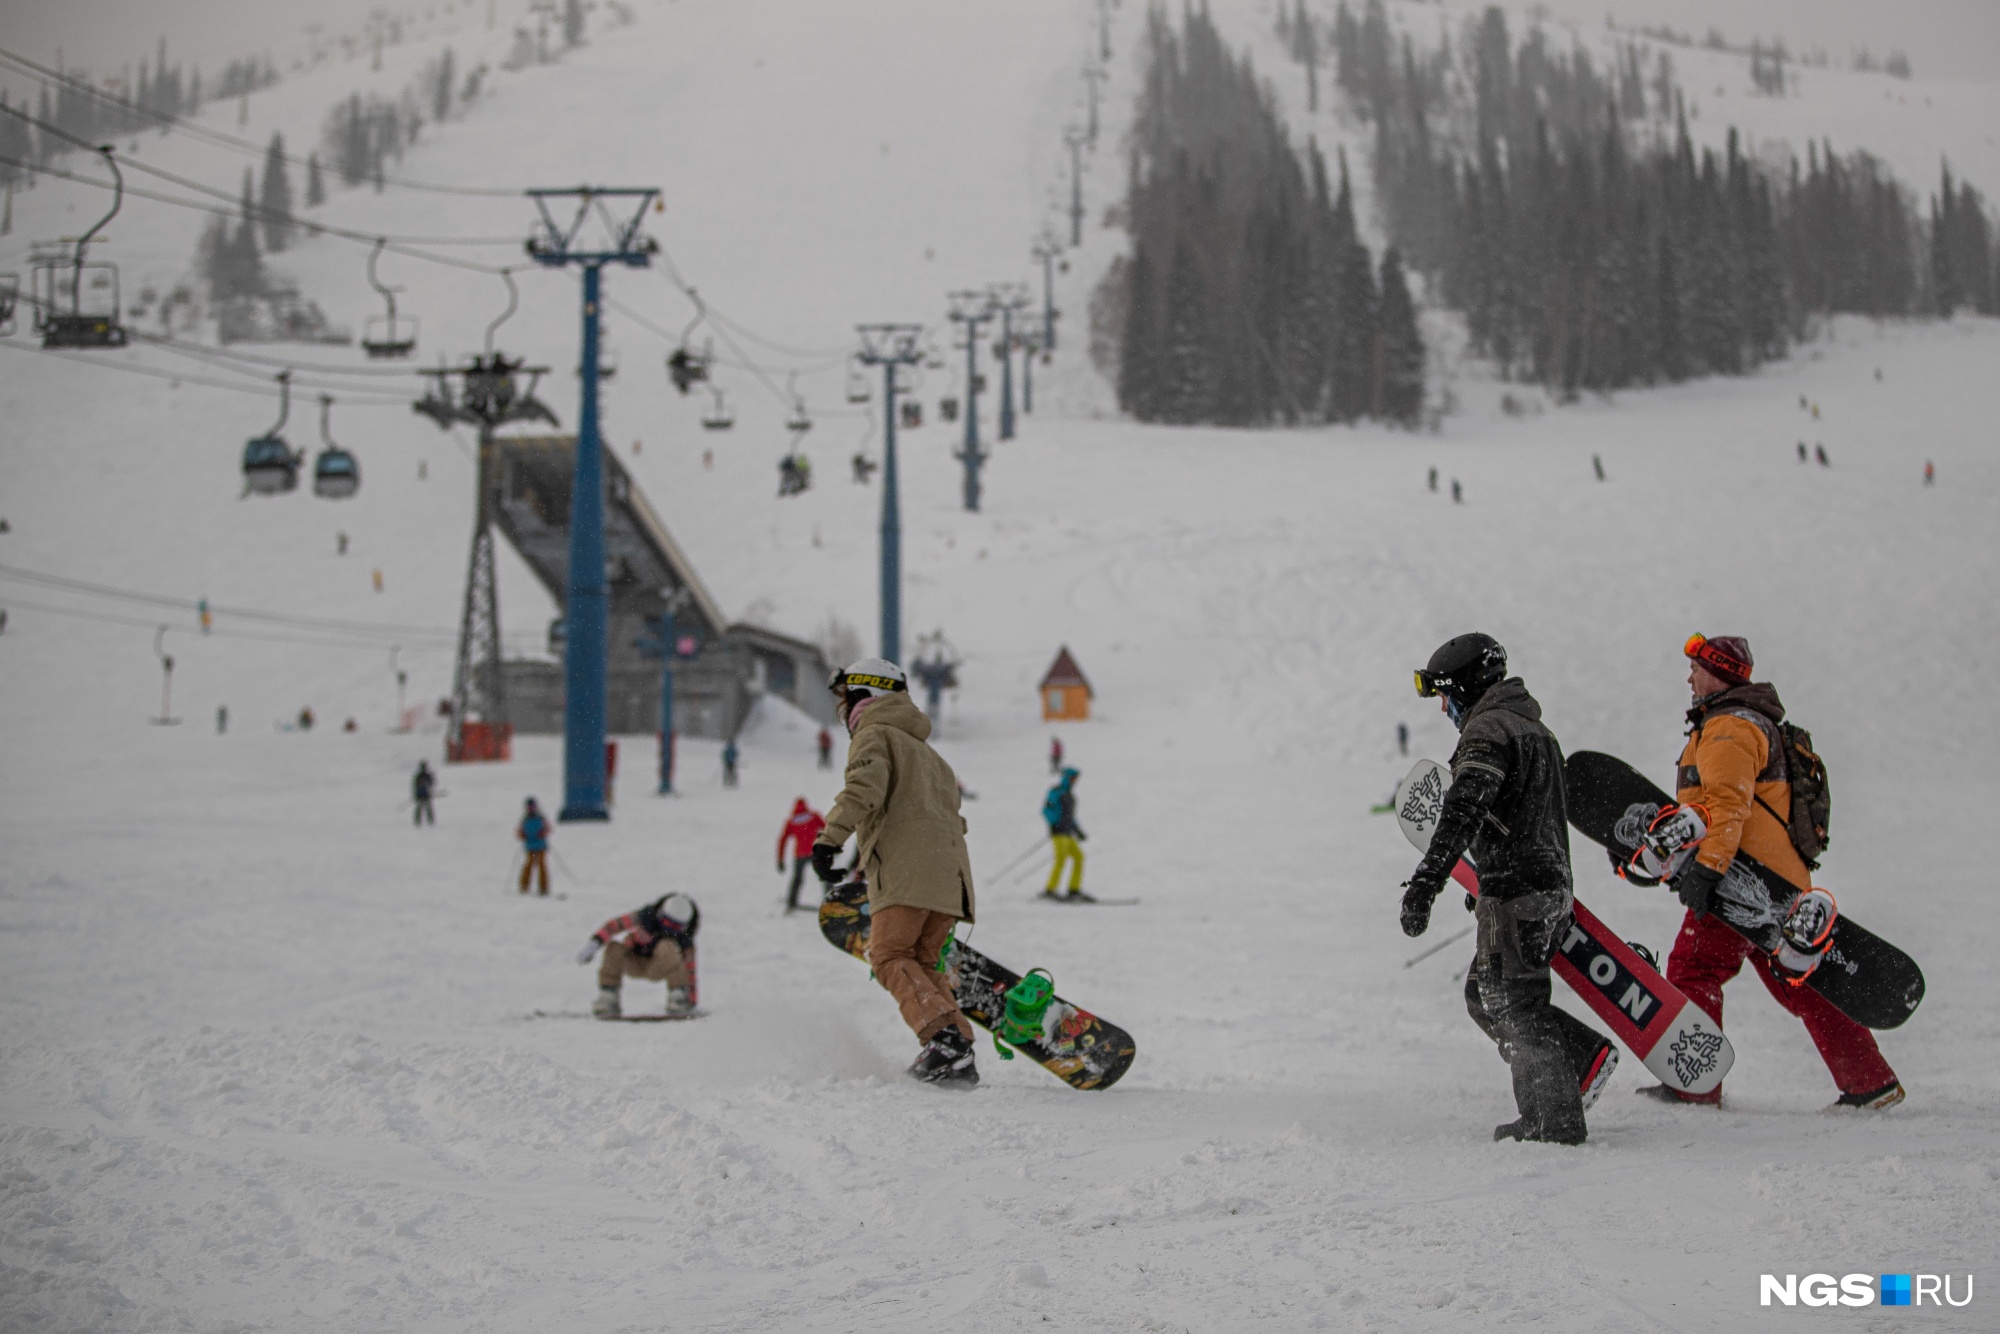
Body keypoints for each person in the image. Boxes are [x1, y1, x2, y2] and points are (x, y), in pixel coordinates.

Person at [1637, 635, 1902, 1110]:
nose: (1690, 678)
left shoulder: (1728, 728)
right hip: (1774, 885)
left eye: (1697, 668)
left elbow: (1726, 808)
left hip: (1743, 880)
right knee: (1797, 982)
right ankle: (1869, 1081)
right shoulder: (1744, 722)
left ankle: (1692, 1084)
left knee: (1693, 968)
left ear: (1719, 673)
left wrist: (1708, 871)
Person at [1401, 633, 1617, 1145]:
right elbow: (1522, 819)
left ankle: (1552, 1120)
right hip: (1540, 887)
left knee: (1512, 1004)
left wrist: (1426, 884)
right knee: (1486, 994)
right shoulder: (1533, 729)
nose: (1443, 709)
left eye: (1443, 695)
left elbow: (1461, 813)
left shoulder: (1489, 731)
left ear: (1466, 687)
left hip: (1519, 896)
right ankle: (1578, 1061)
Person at [810, 658, 980, 1087]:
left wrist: (830, 839)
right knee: (922, 961)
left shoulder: (875, 736)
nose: (844, 711)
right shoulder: (931, 756)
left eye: (847, 699)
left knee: (888, 956)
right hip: (950, 878)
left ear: (869, 696)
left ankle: (944, 1041)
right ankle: (956, 1047)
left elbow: (863, 790)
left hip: (907, 874)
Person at [578, 893, 699, 1018]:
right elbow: (613, 926)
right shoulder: (644, 917)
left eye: (674, 926)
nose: (668, 927)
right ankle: (608, 995)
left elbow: (690, 969)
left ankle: (678, 996)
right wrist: (595, 943)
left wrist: (692, 999)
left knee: (669, 947)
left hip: (659, 967)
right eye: (666, 921)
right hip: (633, 960)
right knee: (614, 947)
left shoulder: (685, 941)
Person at [1042, 768, 1089, 901]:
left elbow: (1070, 816)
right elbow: (1046, 810)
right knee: (1061, 859)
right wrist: (1054, 823)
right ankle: (1050, 890)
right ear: (1067, 777)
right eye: (1073, 778)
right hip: (1058, 833)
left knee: (1079, 857)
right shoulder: (1056, 792)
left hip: (1067, 833)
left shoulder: (1069, 794)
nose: (1075, 781)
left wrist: (1077, 830)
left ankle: (1074, 889)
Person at [777, 797, 827, 913]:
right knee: (825, 876)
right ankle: (833, 900)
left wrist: (780, 860)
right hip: (816, 852)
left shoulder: (792, 821)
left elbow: (782, 840)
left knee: (797, 878)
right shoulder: (814, 817)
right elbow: (827, 829)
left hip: (800, 854)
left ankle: (792, 901)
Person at [518, 797, 551, 896]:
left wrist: (543, 833)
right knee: (528, 866)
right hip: (530, 847)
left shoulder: (541, 818)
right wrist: (523, 835)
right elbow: (520, 832)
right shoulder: (525, 819)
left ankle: (543, 888)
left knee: (542, 866)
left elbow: (548, 829)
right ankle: (524, 887)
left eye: (532, 807)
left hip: (540, 846)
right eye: (529, 807)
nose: (531, 809)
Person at [411, 761, 437, 827]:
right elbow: (415, 786)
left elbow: (431, 784)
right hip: (421, 794)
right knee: (421, 808)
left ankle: (429, 820)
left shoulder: (425, 776)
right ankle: (419, 820)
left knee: (427, 808)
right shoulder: (420, 776)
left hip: (425, 794)